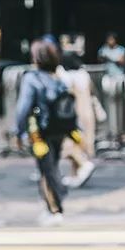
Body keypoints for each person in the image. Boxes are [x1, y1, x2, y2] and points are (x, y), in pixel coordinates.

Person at [16, 39, 71, 225]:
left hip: (39, 132)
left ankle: (55, 208)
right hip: (60, 130)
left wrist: (18, 131)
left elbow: (23, 108)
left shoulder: (32, 78)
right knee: (52, 165)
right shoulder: (58, 77)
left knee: (46, 170)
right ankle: (55, 203)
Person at [57, 55, 98, 189]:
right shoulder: (84, 74)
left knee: (68, 143)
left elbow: (65, 91)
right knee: (81, 143)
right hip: (88, 112)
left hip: (75, 113)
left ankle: (84, 164)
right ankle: (75, 175)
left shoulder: (67, 76)